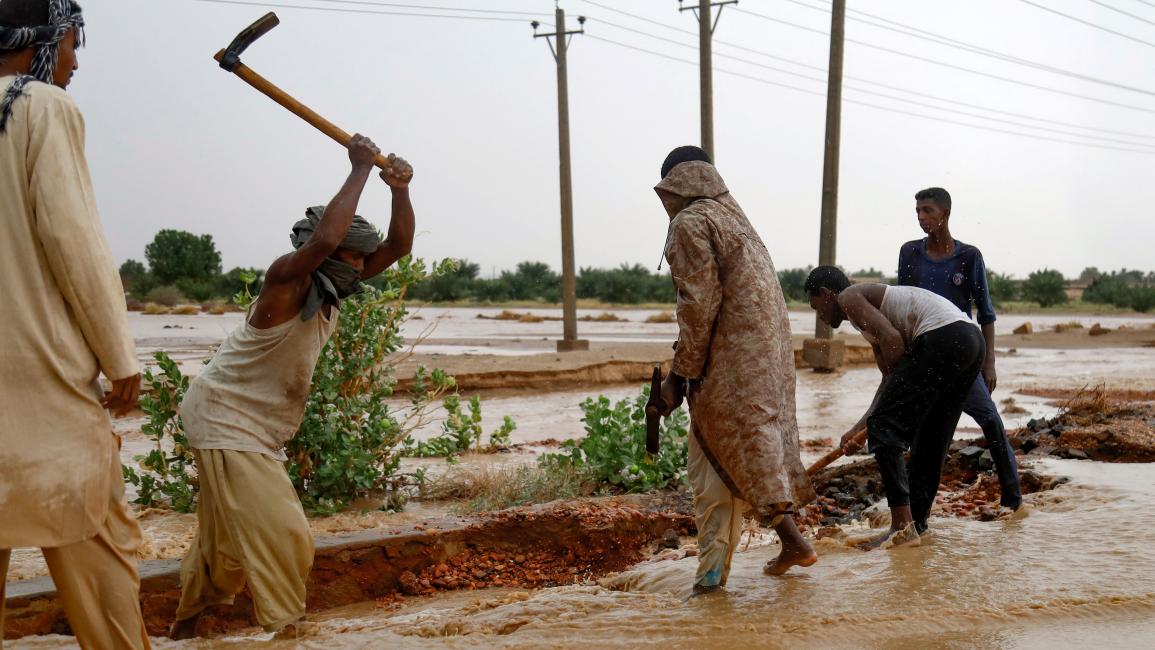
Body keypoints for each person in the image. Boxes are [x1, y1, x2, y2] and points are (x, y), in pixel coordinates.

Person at [169, 135, 414, 639]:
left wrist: (399, 189)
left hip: (254, 427)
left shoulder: (332, 289)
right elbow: (324, 242)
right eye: (351, 258)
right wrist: (360, 169)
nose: (359, 267)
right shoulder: (286, 280)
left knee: (222, 548)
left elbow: (399, 246)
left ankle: (188, 627)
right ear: (323, 256)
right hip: (225, 418)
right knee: (288, 536)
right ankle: (288, 632)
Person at [0, 0, 150, 646]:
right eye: (71, 45)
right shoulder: (41, 109)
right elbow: (75, 245)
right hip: (43, 385)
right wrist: (120, 359)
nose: (75, 61)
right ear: (39, 41)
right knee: (95, 544)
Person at [653, 146, 817, 594]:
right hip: (767, 366)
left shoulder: (691, 223)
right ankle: (790, 544)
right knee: (743, 455)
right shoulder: (736, 221)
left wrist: (677, 376)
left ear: (671, 185)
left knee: (711, 474)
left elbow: (697, 306)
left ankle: (709, 588)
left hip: (728, 369)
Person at [805, 266, 984, 549]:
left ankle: (901, 527)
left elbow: (893, 341)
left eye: (817, 308)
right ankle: (917, 526)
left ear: (827, 295)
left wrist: (876, 424)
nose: (821, 317)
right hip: (971, 342)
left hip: (942, 336)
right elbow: (889, 382)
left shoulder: (850, 298)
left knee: (885, 432)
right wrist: (858, 428)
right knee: (930, 441)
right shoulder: (866, 319)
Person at [897, 187, 1021, 509]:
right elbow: (903, 304)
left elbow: (986, 312)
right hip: (924, 356)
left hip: (962, 357)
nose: (921, 217)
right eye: (918, 211)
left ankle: (1013, 499)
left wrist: (989, 362)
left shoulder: (968, 257)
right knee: (923, 436)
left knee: (991, 420)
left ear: (945, 214)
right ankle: (912, 512)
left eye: (927, 211)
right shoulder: (910, 253)